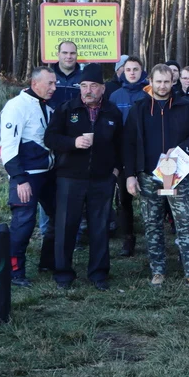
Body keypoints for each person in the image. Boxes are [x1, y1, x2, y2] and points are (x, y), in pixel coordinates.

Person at [123, 64, 189, 289]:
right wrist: (130, 175)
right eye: (158, 81)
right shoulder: (139, 108)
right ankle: (158, 271)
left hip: (178, 175)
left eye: (166, 81)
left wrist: (180, 149)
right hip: (148, 176)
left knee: (185, 223)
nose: (162, 86)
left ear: (174, 81)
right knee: (152, 224)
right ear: (150, 81)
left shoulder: (187, 106)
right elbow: (129, 144)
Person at [44, 63, 122, 290]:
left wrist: (116, 169)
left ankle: (98, 274)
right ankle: (63, 275)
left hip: (101, 179)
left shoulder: (112, 113)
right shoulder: (67, 109)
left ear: (103, 88)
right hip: (70, 178)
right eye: (84, 85)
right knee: (66, 226)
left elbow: (121, 143)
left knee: (100, 228)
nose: (88, 90)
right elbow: (50, 138)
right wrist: (72, 143)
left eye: (94, 86)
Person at [0, 66, 58, 287]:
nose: (54, 87)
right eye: (50, 83)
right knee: (23, 223)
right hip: (26, 177)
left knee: (58, 217)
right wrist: (19, 178)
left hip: (48, 175)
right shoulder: (16, 107)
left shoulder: (45, 105)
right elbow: (7, 148)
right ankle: (15, 272)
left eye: (54, 83)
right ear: (35, 84)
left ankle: (48, 262)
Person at [109, 56, 150, 257]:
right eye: (128, 70)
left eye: (136, 69)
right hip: (123, 155)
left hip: (147, 155)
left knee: (151, 198)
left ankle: (153, 236)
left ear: (142, 71)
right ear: (123, 72)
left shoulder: (149, 94)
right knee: (123, 199)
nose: (132, 73)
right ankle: (128, 238)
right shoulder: (116, 96)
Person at [52, 41, 84, 107]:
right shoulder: (48, 76)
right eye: (65, 53)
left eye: (72, 53)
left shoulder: (85, 77)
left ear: (77, 55)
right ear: (58, 54)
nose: (69, 56)